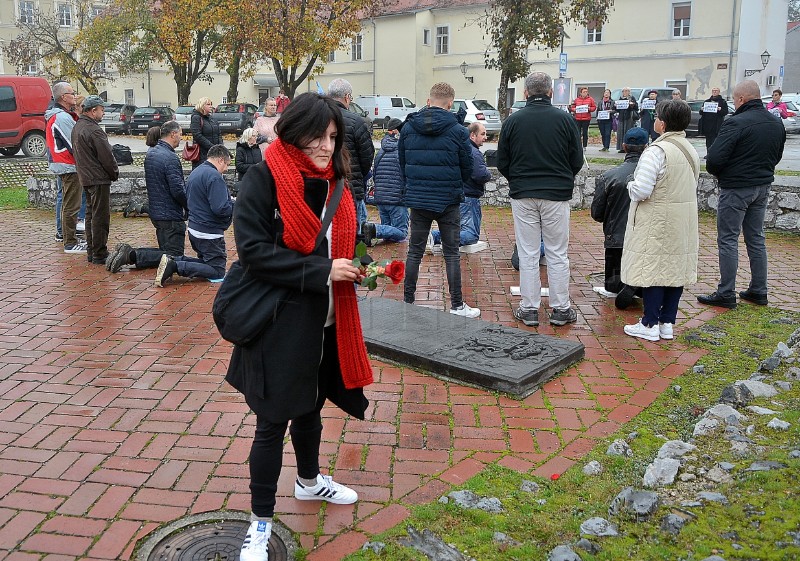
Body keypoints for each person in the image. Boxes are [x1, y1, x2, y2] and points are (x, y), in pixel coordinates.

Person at [224, 93, 371, 561]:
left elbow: (341, 242)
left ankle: (309, 483)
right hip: (279, 322)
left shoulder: (335, 183)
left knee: (311, 410)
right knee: (272, 423)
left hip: (328, 320)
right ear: (293, 131)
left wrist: (358, 265)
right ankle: (260, 523)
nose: (326, 146)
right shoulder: (264, 178)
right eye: (317, 135)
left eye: (333, 136)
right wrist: (324, 271)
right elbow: (253, 252)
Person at [497, 71, 583, 327]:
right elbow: (576, 160)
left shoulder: (513, 121)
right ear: (550, 92)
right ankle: (560, 309)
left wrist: (518, 180)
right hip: (556, 194)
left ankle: (529, 308)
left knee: (528, 252)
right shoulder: (565, 120)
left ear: (525, 93)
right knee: (557, 253)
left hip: (523, 193)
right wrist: (561, 178)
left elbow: (502, 161)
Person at [698, 79, 786, 309]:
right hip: (762, 185)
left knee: (728, 238)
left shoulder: (735, 123)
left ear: (741, 99)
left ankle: (726, 292)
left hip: (736, 187)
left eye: (735, 100)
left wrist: (723, 175)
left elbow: (714, 160)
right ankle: (759, 289)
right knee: (756, 238)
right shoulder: (775, 123)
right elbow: (776, 156)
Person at [621, 99, 699, 342]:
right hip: (682, 220)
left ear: (662, 123)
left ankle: (649, 323)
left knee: (653, 269)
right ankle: (667, 323)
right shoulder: (690, 149)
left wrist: (630, 185)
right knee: (675, 269)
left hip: (657, 220)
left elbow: (642, 189)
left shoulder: (657, 151)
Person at [399, 82, 479, 317]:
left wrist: (412, 186)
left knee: (414, 251)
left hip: (419, 198)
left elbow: (402, 164)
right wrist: (454, 184)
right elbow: (468, 165)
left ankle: (408, 300)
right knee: (451, 252)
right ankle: (456, 304)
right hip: (448, 199)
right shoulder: (457, 131)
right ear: (450, 103)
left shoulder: (408, 128)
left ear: (429, 100)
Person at [106, 121, 188, 273]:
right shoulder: (170, 158)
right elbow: (177, 190)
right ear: (173, 134)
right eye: (181, 134)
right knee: (174, 255)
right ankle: (130, 255)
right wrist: (188, 205)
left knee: (166, 250)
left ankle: (129, 253)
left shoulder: (152, 153)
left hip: (157, 211)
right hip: (169, 213)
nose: (181, 138)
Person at [155, 144, 234, 287]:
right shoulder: (214, 177)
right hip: (208, 232)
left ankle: (174, 260)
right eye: (227, 164)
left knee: (206, 262)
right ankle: (175, 266)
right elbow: (220, 208)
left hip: (195, 227)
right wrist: (234, 205)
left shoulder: (197, 172)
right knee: (217, 271)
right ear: (221, 160)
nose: (226, 169)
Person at [590, 127, 648, 306]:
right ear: (646, 147)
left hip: (616, 239)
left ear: (623, 146)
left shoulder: (609, 176)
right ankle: (637, 286)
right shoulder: (654, 177)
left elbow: (597, 213)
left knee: (613, 284)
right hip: (645, 238)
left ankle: (622, 285)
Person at [71, 95, 119, 265]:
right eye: (101, 109)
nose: (103, 112)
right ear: (93, 111)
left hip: (87, 177)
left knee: (91, 216)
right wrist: (114, 173)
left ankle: (93, 251)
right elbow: (107, 156)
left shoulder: (78, 126)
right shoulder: (94, 130)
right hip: (97, 178)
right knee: (99, 217)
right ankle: (99, 252)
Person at [430, 121, 493, 248]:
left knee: (458, 228)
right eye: (482, 134)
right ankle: (435, 236)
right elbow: (480, 175)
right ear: (472, 135)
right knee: (471, 235)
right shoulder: (473, 153)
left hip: (457, 196)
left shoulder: (458, 149)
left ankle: (435, 236)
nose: (485, 137)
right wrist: (488, 173)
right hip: (469, 198)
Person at [327, 79, 374, 233]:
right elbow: (367, 156)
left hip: (324, 186)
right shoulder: (356, 122)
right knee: (355, 235)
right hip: (352, 185)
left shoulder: (317, 118)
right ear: (347, 97)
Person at [46, 81, 86, 253]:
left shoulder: (58, 115)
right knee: (71, 205)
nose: (75, 96)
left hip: (64, 165)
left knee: (68, 203)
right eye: (72, 93)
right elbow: (75, 143)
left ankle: (70, 237)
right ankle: (70, 242)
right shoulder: (61, 117)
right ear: (63, 97)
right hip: (68, 166)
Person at [369, 117, 408, 243]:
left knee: (389, 235)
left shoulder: (380, 151)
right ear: (396, 131)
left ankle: (377, 230)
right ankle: (373, 229)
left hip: (381, 197)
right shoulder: (402, 151)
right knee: (401, 232)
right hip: (396, 198)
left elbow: (375, 174)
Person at [191, 96, 221, 168]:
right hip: (202, 153)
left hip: (214, 153)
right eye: (208, 104)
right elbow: (197, 135)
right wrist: (211, 147)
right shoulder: (196, 117)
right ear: (202, 106)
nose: (211, 106)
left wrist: (220, 146)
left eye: (211, 104)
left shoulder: (212, 118)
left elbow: (218, 133)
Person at [615, 87, 639, 152]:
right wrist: (615, 106)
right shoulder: (620, 99)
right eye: (624, 91)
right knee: (620, 133)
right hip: (621, 118)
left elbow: (636, 107)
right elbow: (617, 109)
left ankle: (628, 147)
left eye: (627, 91)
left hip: (629, 118)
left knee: (628, 132)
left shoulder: (632, 98)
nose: (625, 92)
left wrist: (632, 105)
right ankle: (621, 147)